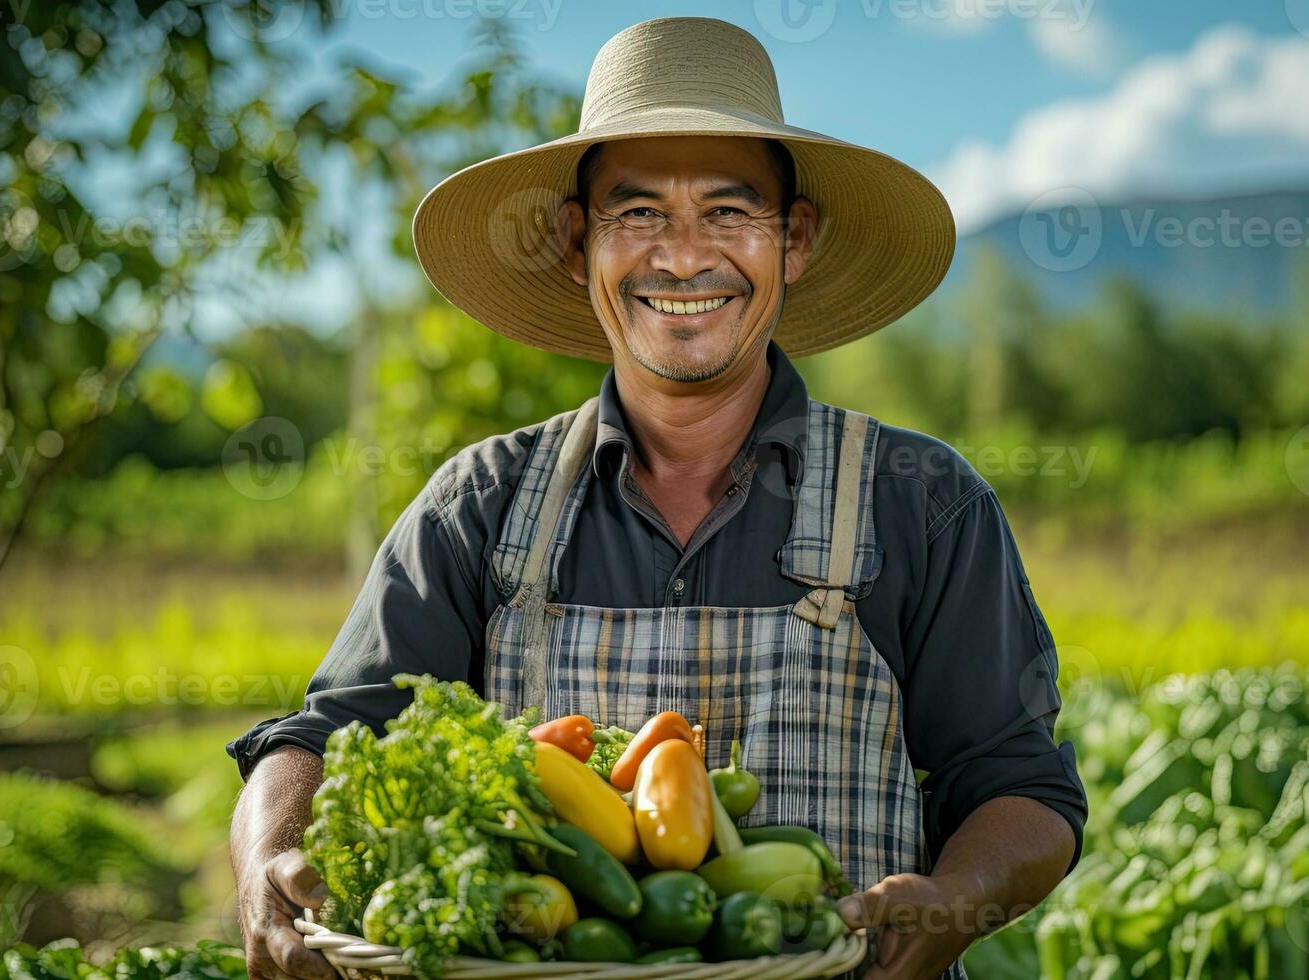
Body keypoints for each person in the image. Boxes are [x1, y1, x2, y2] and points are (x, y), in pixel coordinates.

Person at [227, 17, 1084, 980]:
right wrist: (267, 860)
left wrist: (958, 901)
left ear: (792, 240)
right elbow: (328, 736)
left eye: (729, 212)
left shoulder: (920, 502)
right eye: (637, 214)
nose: (681, 258)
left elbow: (1023, 787)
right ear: (575, 240)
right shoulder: (479, 504)